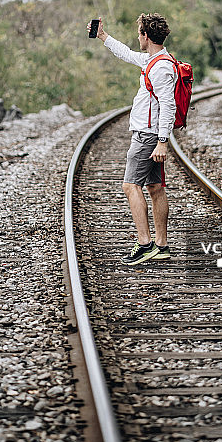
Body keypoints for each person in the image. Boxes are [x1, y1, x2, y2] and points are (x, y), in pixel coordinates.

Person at [87, 14, 177, 265]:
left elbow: (168, 105)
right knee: (155, 188)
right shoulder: (154, 60)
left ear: (146, 36)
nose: (138, 38)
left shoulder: (160, 68)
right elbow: (126, 53)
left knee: (130, 186)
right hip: (150, 134)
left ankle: (145, 244)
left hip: (147, 136)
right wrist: (103, 36)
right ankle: (161, 246)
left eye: (139, 34)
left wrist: (162, 142)